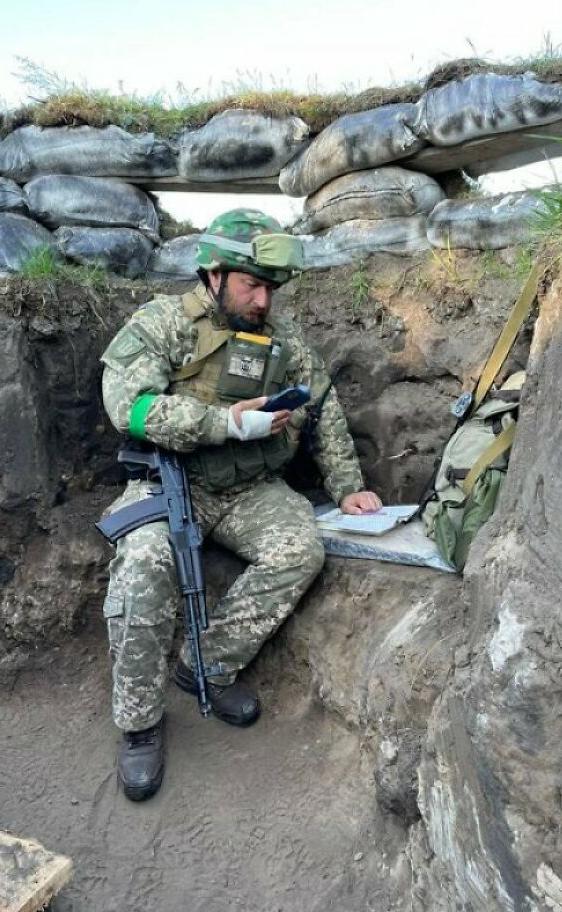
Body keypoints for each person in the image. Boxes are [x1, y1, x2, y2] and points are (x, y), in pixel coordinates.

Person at [100, 208, 381, 801]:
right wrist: (224, 423)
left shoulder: (283, 338)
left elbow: (323, 407)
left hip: (249, 490)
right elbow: (132, 408)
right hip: (173, 481)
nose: (262, 301)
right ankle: (140, 721)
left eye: (269, 289)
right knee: (146, 564)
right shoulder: (161, 325)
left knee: (300, 548)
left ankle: (206, 666)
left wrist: (347, 487)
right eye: (252, 285)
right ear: (214, 274)